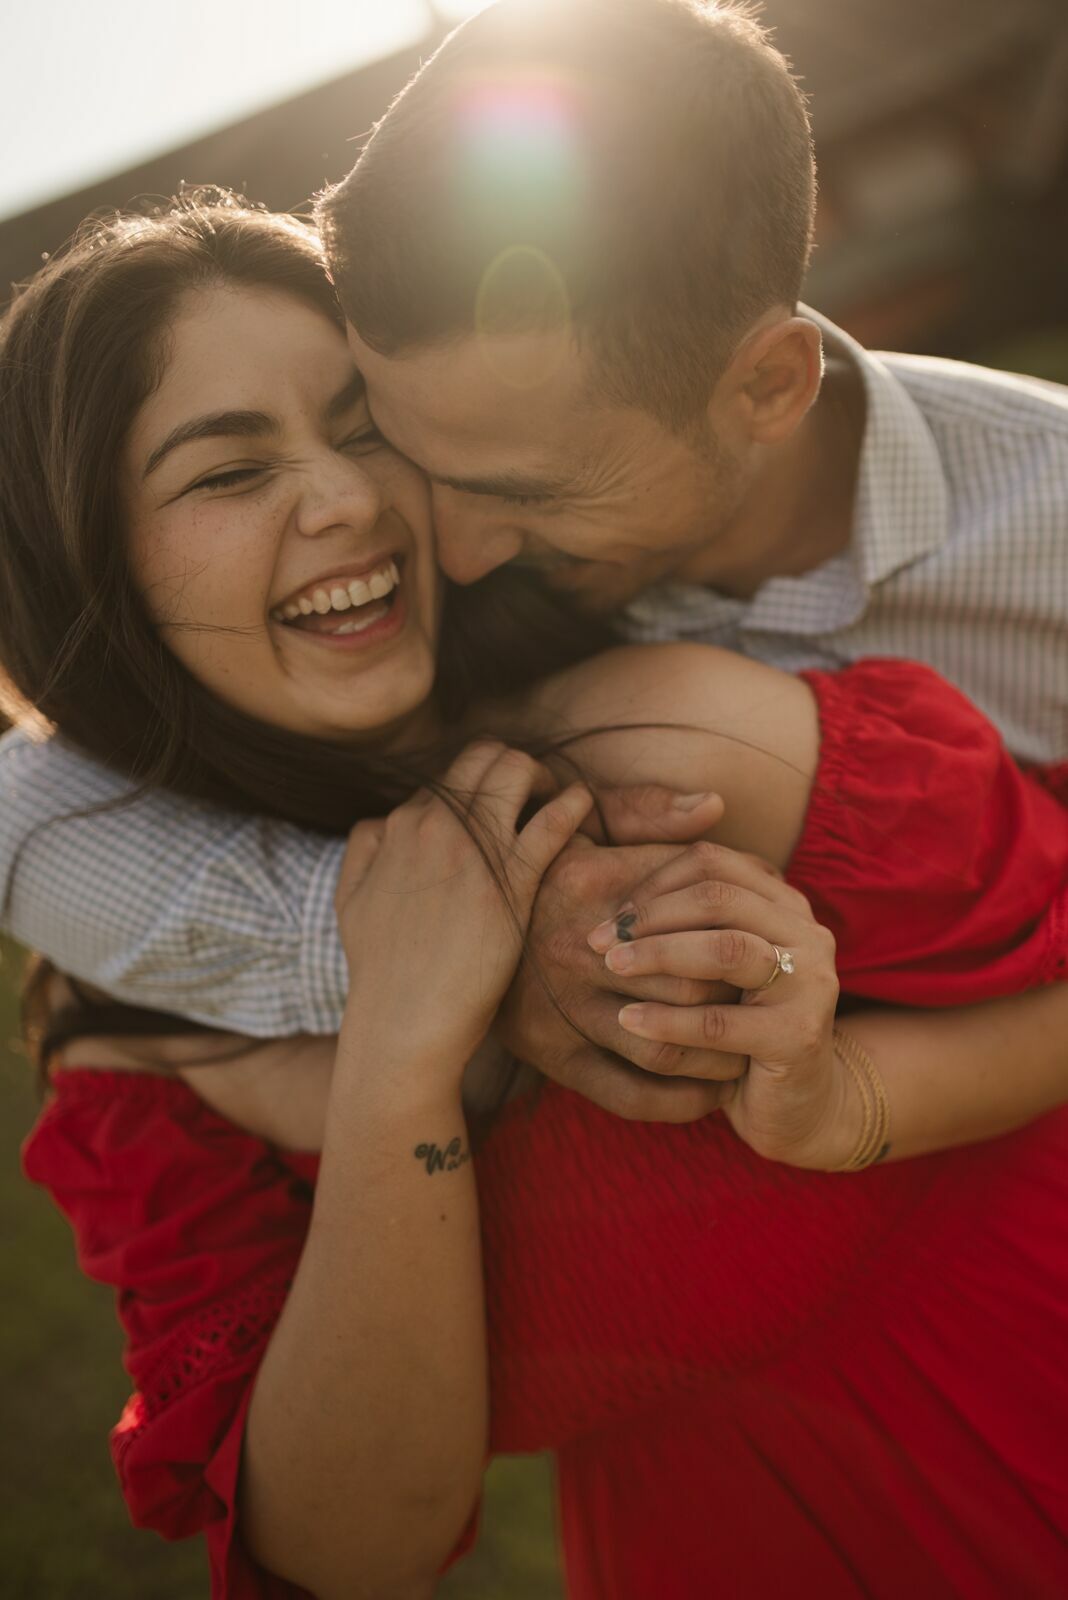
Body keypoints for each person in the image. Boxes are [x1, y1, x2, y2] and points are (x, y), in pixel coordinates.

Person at [4, 197, 1067, 1599]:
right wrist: (398, 1052)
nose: (345, 500)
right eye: (228, 473)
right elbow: (345, 1556)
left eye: (358, 422)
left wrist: (843, 1088)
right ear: (92, 566)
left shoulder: (672, 742)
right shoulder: (158, 1008)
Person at [2, 0, 1067, 1125]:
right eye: (406, 444)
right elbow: (28, 804)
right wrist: (463, 943)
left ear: (768, 388)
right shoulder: (424, 567)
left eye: (522, 494)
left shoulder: (1042, 524)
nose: (447, 550)